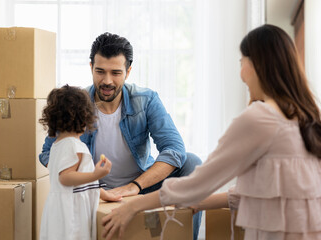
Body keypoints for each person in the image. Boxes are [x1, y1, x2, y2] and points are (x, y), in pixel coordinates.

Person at [101, 24, 321, 240]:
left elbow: (199, 182)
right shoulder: (306, 117)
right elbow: (265, 192)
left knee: (190, 160)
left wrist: (134, 205)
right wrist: (198, 203)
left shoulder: (260, 118)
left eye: (241, 62)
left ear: (256, 65)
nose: (241, 73)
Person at [39, 32, 203, 240]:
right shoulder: (75, 104)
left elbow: (174, 149)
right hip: (95, 187)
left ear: (128, 71)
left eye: (116, 73)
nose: (107, 81)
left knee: (193, 163)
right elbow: (47, 153)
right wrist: (88, 180)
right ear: (91, 68)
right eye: (100, 71)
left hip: (141, 185)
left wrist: (134, 186)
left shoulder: (146, 100)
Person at [39, 85, 121, 240]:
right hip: (71, 211)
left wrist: (105, 194)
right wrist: (96, 174)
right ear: (84, 117)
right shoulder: (73, 145)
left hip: (59, 208)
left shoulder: (58, 145)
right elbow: (66, 177)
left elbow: (81, 182)